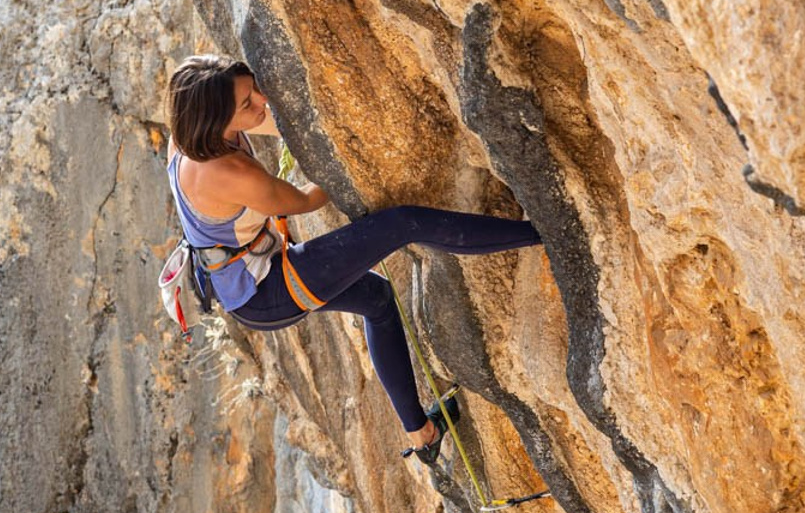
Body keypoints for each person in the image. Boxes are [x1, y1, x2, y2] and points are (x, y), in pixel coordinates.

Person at [165, 54, 543, 464]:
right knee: (405, 223)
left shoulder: (190, 135)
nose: (261, 100)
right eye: (247, 103)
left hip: (246, 273)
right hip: (265, 292)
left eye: (254, 88)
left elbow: (278, 120)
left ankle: (423, 434)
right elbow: (309, 199)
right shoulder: (228, 174)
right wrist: (357, 145)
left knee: (378, 300)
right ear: (216, 118)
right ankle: (540, 233)